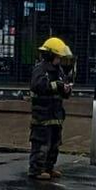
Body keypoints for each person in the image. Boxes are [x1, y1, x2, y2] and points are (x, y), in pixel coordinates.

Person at [29, 36, 73, 181]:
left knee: (54, 144)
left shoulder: (58, 70)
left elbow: (63, 86)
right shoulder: (40, 69)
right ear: (51, 55)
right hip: (42, 115)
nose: (59, 60)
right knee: (41, 144)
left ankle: (49, 167)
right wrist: (57, 86)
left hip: (56, 114)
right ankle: (36, 170)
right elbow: (39, 86)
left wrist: (66, 89)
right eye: (58, 57)